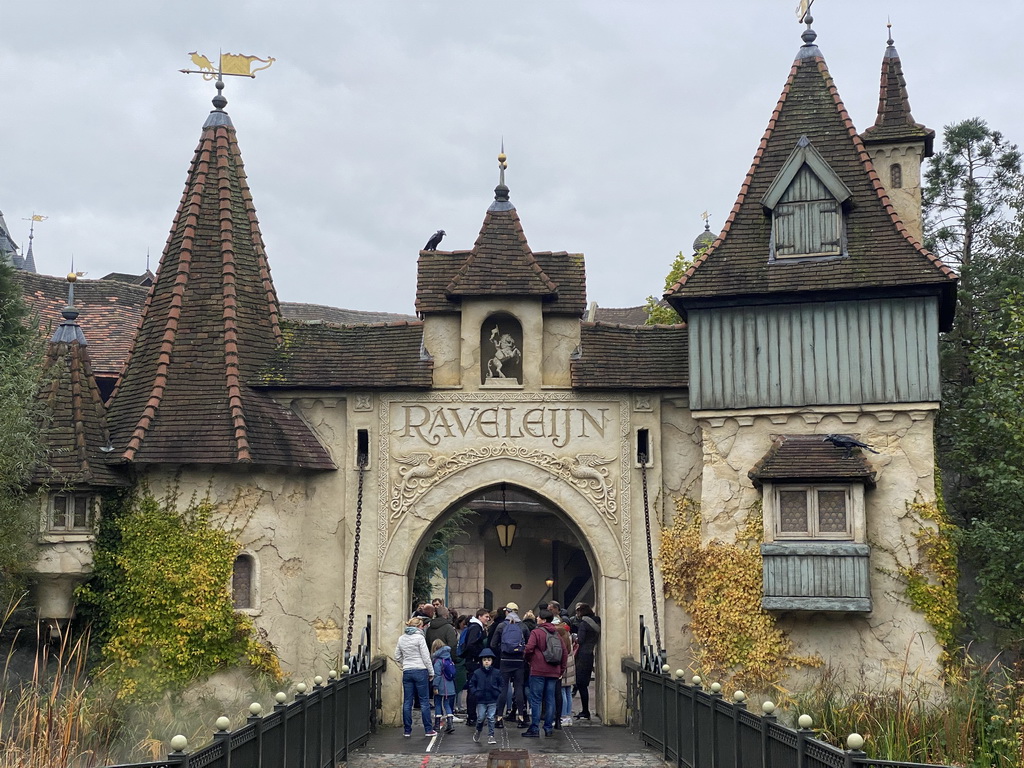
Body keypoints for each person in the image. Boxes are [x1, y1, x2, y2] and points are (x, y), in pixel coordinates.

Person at [521, 608, 567, 737]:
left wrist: (530, 660)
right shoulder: (557, 634)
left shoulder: (536, 632)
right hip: (554, 670)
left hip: (538, 670)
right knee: (550, 699)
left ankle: (534, 728)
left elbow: (529, 648)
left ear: (543, 619)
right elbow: (564, 653)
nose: (537, 618)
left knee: (536, 699)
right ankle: (548, 728)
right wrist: (561, 670)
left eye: (539, 617)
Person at [395, 617, 437, 737]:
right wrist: (431, 671)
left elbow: (397, 656)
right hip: (420, 670)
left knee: (408, 701)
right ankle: (428, 729)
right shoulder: (420, 638)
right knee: (424, 701)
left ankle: (407, 730)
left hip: (407, 671)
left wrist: (405, 663)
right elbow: (426, 657)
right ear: (419, 626)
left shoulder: (401, 638)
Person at [490, 602, 528, 728]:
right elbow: (528, 643)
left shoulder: (501, 626)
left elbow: (493, 644)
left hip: (505, 660)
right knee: (518, 688)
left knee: (503, 688)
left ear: (507, 612)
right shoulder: (523, 626)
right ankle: (521, 717)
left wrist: (502, 651)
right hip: (519, 661)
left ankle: (499, 718)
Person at [462, 608, 491, 727]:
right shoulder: (476, 627)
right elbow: (471, 644)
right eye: (486, 617)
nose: (488, 619)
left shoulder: (476, 626)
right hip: (474, 662)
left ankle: (473, 716)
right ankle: (472, 717)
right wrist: (481, 654)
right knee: (473, 690)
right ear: (479, 616)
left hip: (472, 661)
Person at [468, 648, 502, 745]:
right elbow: (471, 684)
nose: (486, 662)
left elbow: (501, 683)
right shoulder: (477, 673)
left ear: (492, 661)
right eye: (484, 660)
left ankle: (491, 735)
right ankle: (478, 730)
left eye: (489, 660)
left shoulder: (496, 672)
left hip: (492, 699)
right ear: (481, 661)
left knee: (491, 717)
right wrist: (476, 692)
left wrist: (497, 691)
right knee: (481, 717)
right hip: (481, 699)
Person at [574, 603, 601, 721]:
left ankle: (585, 711)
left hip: (582, 656)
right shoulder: (597, 621)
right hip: (590, 654)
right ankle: (586, 711)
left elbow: (580, 639)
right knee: (584, 684)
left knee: (581, 684)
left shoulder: (584, 624)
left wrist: (574, 637)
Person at [431, 638, 456, 734]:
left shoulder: (438, 661)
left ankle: (437, 725)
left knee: (437, 703)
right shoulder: (448, 658)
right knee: (447, 704)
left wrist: (435, 686)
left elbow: (437, 675)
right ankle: (450, 724)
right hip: (450, 685)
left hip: (441, 685)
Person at [559, 626, 577, 727]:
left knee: (562, 692)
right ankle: (568, 716)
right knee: (568, 692)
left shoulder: (562, 640)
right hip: (570, 668)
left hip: (565, 669)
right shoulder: (569, 637)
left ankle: (563, 716)